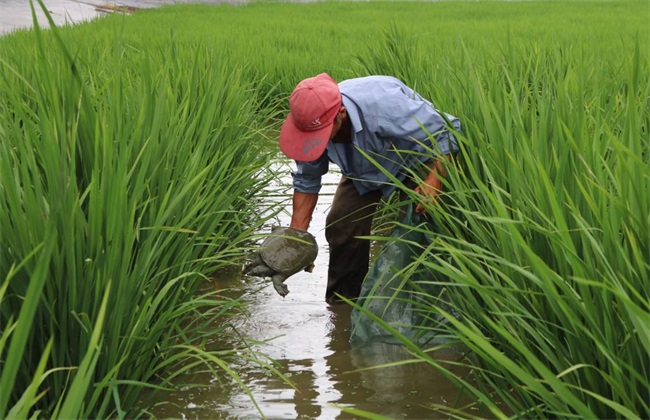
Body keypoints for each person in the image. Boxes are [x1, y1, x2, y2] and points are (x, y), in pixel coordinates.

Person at [279, 73, 461, 303]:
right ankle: (343, 305)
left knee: (419, 227)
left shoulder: (386, 107)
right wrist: (296, 237)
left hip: (415, 160)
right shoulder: (309, 125)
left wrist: (434, 180)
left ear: (340, 115)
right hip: (362, 169)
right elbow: (307, 180)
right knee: (342, 225)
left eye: (319, 135)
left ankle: (420, 303)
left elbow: (448, 130)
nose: (313, 141)